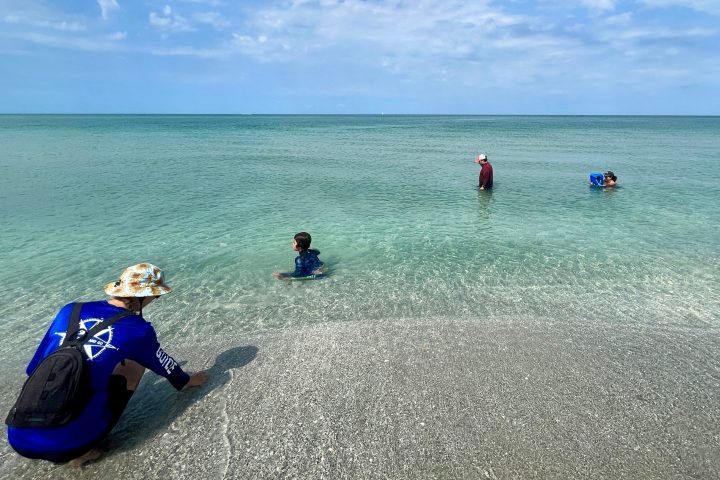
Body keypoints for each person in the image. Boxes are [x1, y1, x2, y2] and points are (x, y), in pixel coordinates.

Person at [6, 263, 209, 465]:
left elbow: (33, 368)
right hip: (72, 444)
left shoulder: (70, 310)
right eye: (156, 295)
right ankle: (83, 452)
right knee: (135, 364)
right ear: (145, 295)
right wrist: (188, 380)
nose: (156, 299)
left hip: (17, 435)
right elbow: (165, 365)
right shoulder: (138, 329)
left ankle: (62, 431)